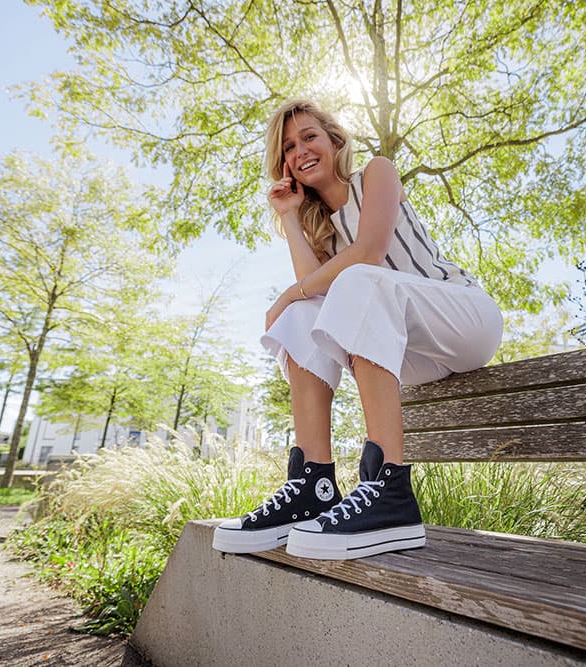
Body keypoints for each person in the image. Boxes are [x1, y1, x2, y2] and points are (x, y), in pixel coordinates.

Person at [212, 99, 502, 560]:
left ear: (334, 140)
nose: (300, 150)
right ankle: (313, 483)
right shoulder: (322, 233)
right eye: (288, 147)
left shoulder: (377, 174)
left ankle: (389, 488)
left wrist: (291, 291)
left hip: (464, 320)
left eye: (309, 136)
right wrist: (289, 216)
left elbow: (369, 250)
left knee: (351, 280)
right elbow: (310, 299)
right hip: (408, 355)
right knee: (302, 316)